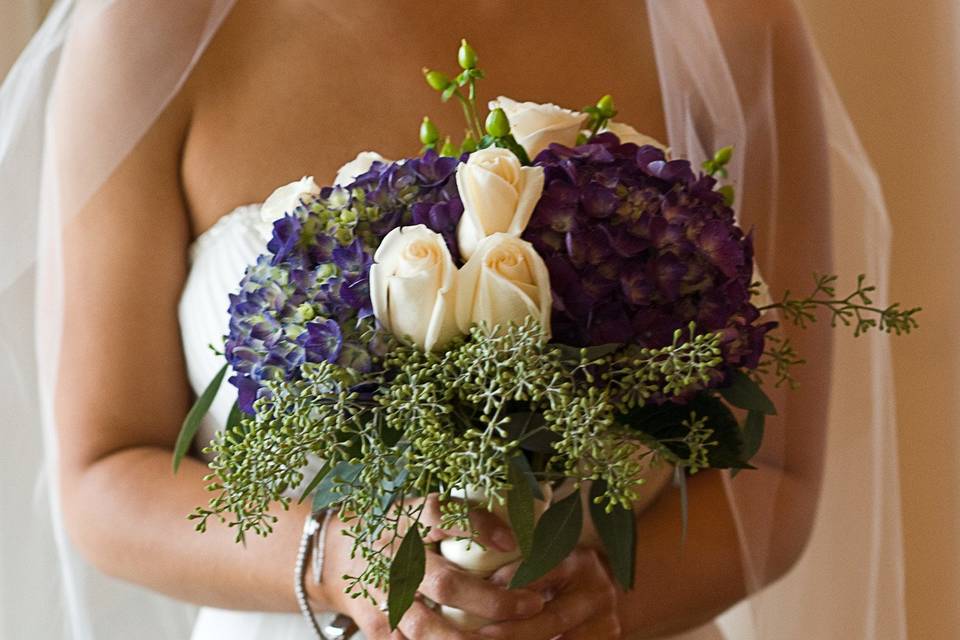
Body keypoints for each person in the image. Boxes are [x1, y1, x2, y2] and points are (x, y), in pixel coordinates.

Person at [0, 1, 905, 639]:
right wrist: (341, 562)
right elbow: (102, 472)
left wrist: (590, 606)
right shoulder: (150, 28)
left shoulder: (728, 22)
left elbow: (777, 477)